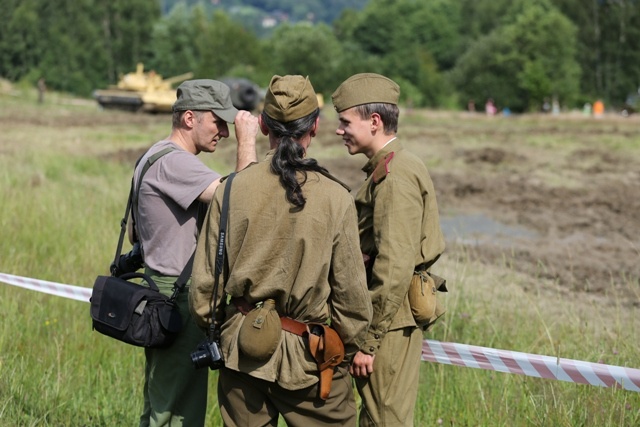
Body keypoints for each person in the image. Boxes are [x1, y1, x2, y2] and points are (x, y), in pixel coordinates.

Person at [189, 75, 373, 426]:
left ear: (261, 126)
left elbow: (204, 287)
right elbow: (351, 295)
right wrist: (345, 351)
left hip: (241, 351)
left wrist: (220, 331)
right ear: (315, 127)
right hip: (311, 360)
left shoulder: (230, 190)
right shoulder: (336, 198)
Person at [132, 79, 258, 427]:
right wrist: (248, 140)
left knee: (164, 399)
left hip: (161, 289)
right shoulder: (176, 163)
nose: (225, 132)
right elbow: (243, 201)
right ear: (190, 118)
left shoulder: (154, 154)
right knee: (177, 408)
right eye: (218, 121)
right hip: (178, 295)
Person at [331, 73, 446, 426]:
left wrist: (369, 341)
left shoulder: (394, 177)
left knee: (385, 418)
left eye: (345, 122)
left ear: (375, 122)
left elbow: (394, 265)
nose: (340, 131)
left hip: (390, 322)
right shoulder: (390, 168)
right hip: (390, 319)